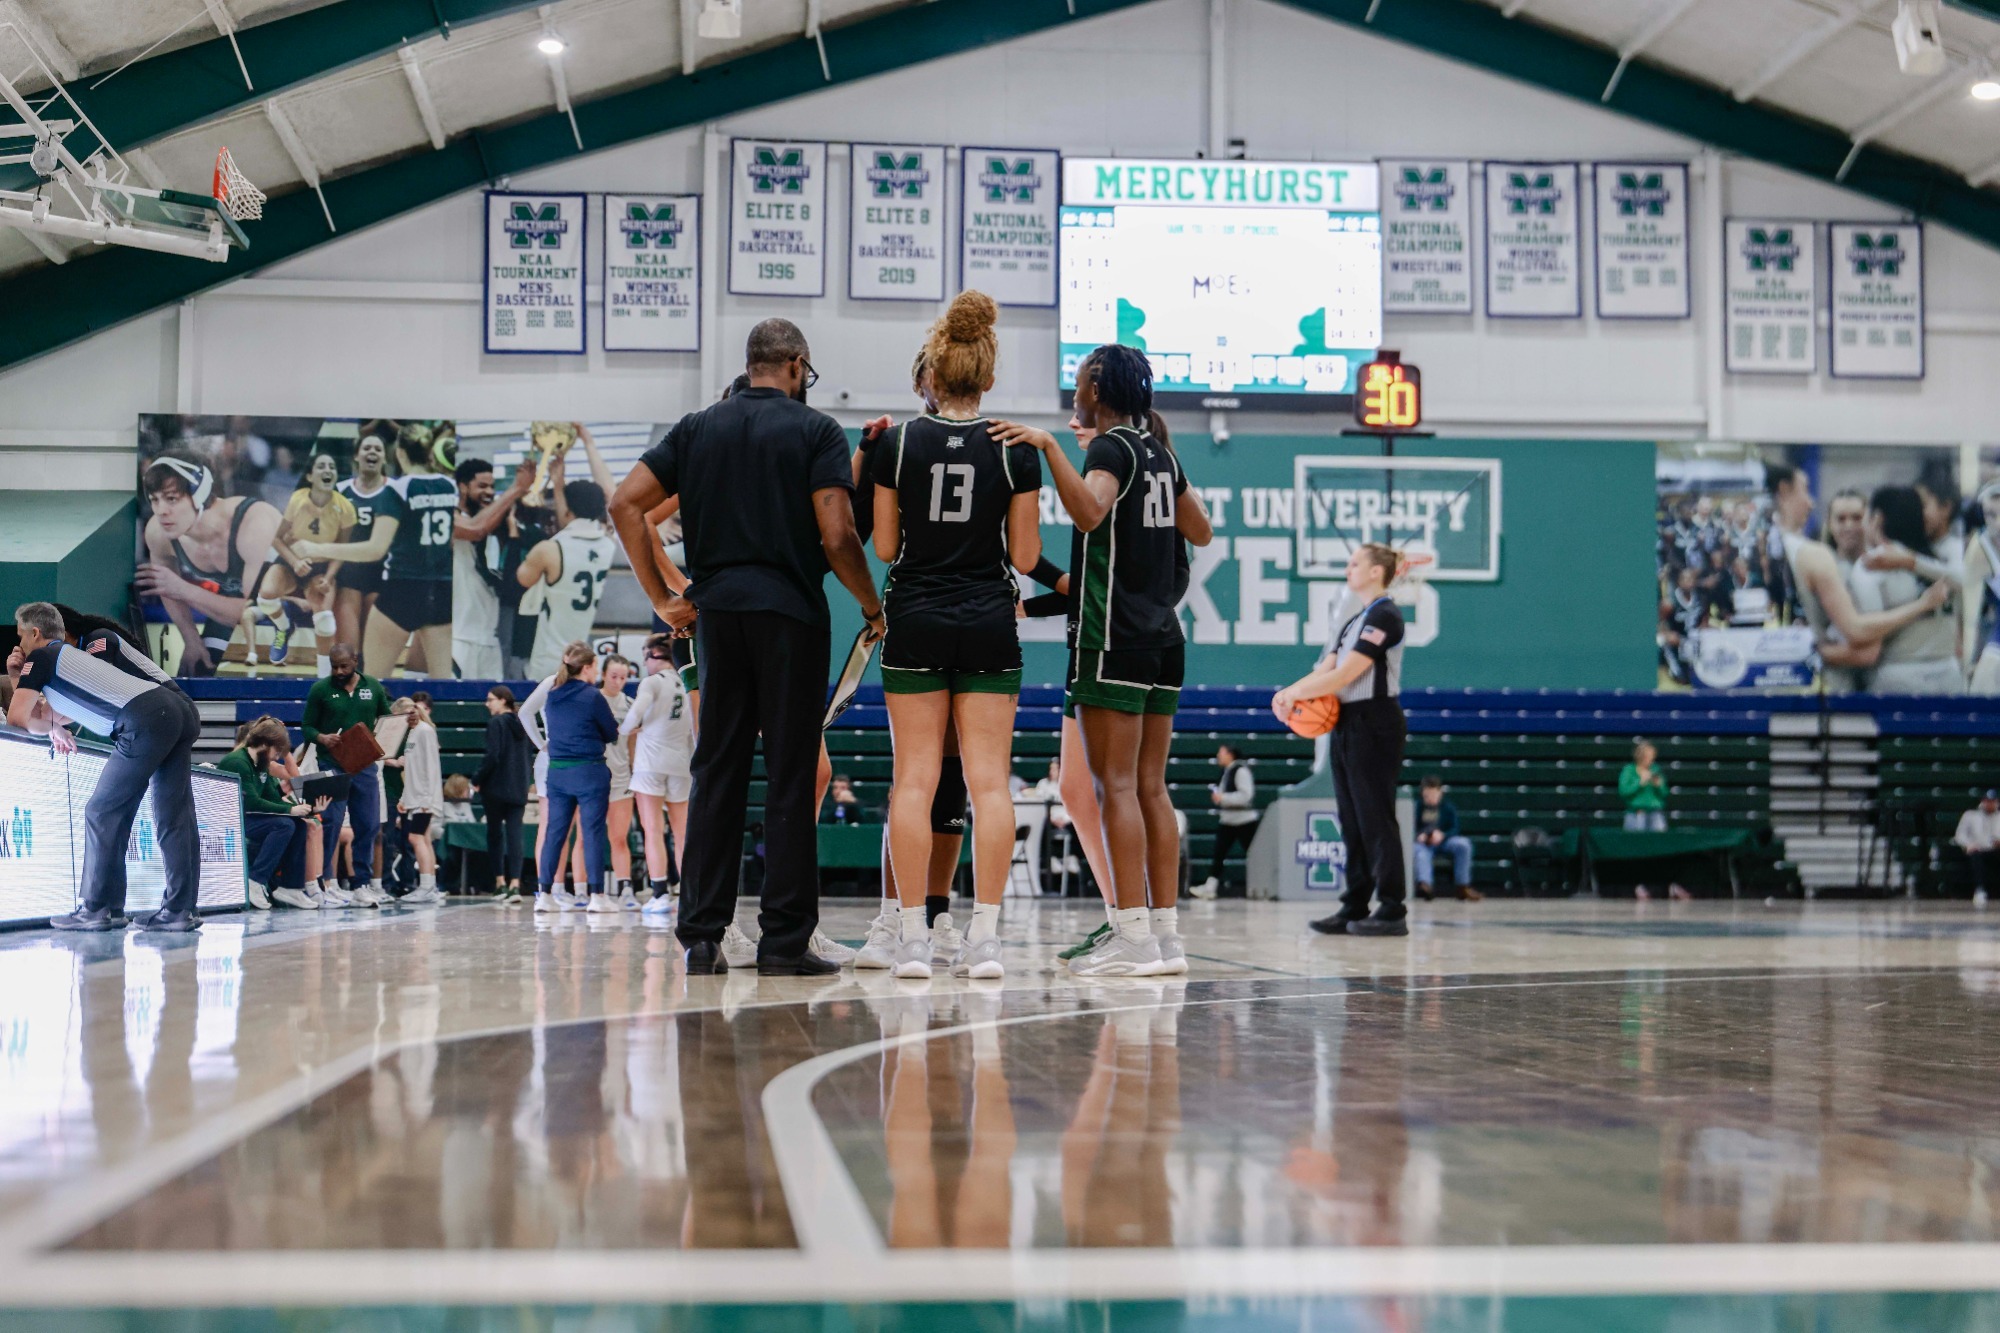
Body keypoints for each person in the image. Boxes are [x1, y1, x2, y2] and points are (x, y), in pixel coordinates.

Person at [608, 317, 883, 976]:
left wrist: (662, 599)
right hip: (791, 616)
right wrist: (871, 604)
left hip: (718, 618)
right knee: (790, 775)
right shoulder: (816, 430)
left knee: (717, 772)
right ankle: (784, 941)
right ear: (795, 365)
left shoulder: (696, 428)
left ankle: (703, 936)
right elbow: (839, 535)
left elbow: (625, 504)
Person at [995, 345, 1212, 977]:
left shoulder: (1110, 449)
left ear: (1097, 389)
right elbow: (1201, 531)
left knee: (1114, 786)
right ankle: (1165, 938)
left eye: (1080, 382)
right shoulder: (1161, 454)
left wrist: (1048, 447)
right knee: (1150, 787)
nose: (1074, 394)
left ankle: (1132, 936)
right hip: (1164, 640)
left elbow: (1090, 512)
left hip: (1112, 639)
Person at [871, 292, 1042, 981]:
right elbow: (1025, 557)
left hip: (915, 615)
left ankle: (913, 938)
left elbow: (886, 546)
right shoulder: (1014, 449)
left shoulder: (896, 444)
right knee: (989, 783)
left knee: (914, 780)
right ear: (988, 378)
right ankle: (986, 940)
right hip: (988, 620)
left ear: (933, 376)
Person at [6, 600, 205, 931]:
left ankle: (99, 908)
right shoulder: (68, 660)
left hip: (147, 716)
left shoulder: (50, 655)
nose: (19, 645)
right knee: (174, 816)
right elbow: (51, 717)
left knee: (102, 811)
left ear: (36, 633)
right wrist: (50, 722)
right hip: (177, 710)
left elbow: (20, 717)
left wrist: (22, 677)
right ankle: (179, 910)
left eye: (21, 636)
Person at [1276, 543, 1411, 939]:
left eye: (1355, 563)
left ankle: (1392, 908)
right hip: (1347, 721)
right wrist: (1287, 694)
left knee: (1375, 817)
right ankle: (1354, 904)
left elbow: (1347, 674)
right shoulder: (1356, 619)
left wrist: (1295, 694)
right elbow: (1327, 666)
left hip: (1376, 720)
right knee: (1351, 819)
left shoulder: (1385, 615)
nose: (1348, 569)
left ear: (1376, 572)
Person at [1765, 462, 1950, 694]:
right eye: (1841, 519)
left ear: (1872, 520)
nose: (1849, 526)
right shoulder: (1817, 562)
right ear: (1829, 523)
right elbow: (1857, 639)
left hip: (1881, 679)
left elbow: (1866, 648)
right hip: (1831, 683)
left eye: (1856, 517)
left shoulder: (1887, 568)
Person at [296, 427, 458, 680]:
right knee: (442, 680)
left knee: (373, 679)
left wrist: (318, 549)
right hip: (441, 590)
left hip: (402, 587)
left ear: (398, 453)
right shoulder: (449, 486)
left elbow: (375, 549)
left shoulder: (397, 489)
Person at [136, 452, 282, 675]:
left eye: (171, 499)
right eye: (154, 499)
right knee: (200, 668)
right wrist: (191, 640)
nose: (161, 511)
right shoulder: (158, 532)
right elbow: (167, 588)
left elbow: (253, 612)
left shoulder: (252, 525)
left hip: (296, 603)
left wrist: (184, 589)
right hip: (236, 596)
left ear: (200, 494)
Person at [242, 450, 352, 676]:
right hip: (290, 562)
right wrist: (295, 562)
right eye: (321, 466)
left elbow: (342, 549)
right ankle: (284, 626)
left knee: (325, 621)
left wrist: (329, 578)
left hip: (321, 568)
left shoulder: (345, 507)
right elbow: (276, 538)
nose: (327, 470)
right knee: (265, 597)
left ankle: (324, 678)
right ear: (310, 476)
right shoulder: (297, 500)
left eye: (331, 467)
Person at [301, 642, 392, 906]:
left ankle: (361, 884)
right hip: (332, 763)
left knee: (368, 823)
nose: (339, 671)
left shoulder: (373, 687)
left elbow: (386, 720)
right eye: (334, 667)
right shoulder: (321, 689)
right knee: (331, 821)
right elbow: (307, 726)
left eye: (344, 666)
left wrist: (404, 724)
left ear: (355, 661)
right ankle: (324, 882)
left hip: (364, 764)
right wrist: (321, 737)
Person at [1851, 485, 1963, 695]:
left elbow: (1869, 629)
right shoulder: (1941, 559)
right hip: (1949, 673)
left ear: (1877, 518)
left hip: (1897, 675)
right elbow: (1966, 581)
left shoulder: (1872, 564)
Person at [534, 640, 620, 915]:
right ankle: (597, 896)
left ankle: (544, 894)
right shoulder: (593, 696)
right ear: (587, 667)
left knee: (555, 833)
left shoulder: (552, 694)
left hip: (557, 772)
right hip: (589, 771)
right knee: (592, 832)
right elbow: (611, 733)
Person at [221, 716, 325, 911]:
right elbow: (251, 802)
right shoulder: (238, 762)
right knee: (283, 825)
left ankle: (290, 887)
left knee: (299, 825)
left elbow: (273, 798)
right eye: (277, 751)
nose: (277, 758)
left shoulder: (261, 764)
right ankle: (255, 880)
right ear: (264, 744)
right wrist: (290, 810)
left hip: (248, 817)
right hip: (231, 821)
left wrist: (310, 809)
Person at [520, 480, 620, 680]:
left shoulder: (548, 549)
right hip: (590, 659)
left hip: (552, 658)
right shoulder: (612, 547)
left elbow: (523, 578)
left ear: (567, 509)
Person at [624, 633, 695, 913]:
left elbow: (634, 714)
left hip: (650, 764)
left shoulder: (652, 682)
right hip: (681, 763)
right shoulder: (687, 682)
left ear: (654, 655)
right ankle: (688, 895)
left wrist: (623, 730)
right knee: (682, 833)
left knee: (653, 829)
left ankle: (660, 893)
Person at [451, 456, 532, 679]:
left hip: (489, 635)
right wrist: (516, 488)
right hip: (459, 636)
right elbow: (476, 529)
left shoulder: (493, 519)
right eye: (482, 486)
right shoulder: (450, 515)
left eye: (492, 487)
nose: (489, 492)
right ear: (463, 487)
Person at [331, 431, 394, 657]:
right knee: (348, 651)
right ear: (356, 456)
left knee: (373, 652)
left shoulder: (395, 491)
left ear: (385, 458)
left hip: (382, 575)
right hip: (348, 575)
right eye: (367, 448)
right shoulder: (340, 490)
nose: (372, 452)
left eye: (378, 449)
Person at [475, 684, 533, 903]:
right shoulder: (523, 723)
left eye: (490, 700)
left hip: (496, 787)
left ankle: (500, 883)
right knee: (515, 835)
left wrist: (477, 779)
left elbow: (493, 756)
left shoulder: (496, 723)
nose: (487, 704)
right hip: (518, 786)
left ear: (502, 700)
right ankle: (515, 884)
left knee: (495, 835)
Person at [595, 653, 641, 906]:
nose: (618, 681)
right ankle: (587, 891)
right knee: (587, 837)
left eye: (623, 677)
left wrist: (634, 773)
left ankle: (625, 889)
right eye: (614, 676)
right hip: (593, 777)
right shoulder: (593, 700)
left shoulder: (631, 705)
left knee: (619, 837)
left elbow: (633, 745)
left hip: (621, 778)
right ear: (603, 674)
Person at [393, 693, 446, 904]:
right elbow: (412, 771)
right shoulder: (413, 734)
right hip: (414, 797)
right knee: (423, 839)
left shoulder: (425, 731)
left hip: (425, 798)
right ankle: (429, 886)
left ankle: (425, 887)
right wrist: (404, 797)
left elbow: (431, 768)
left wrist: (426, 800)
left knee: (415, 838)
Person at [1192, 743, 1258, 900]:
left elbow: (1246, 796)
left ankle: (1261, 884)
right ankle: (1210, 888)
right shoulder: (1226, 771)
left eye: (1221, 752)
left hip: (1244, 821)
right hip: (1228, 819)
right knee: (1218, 854)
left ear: (1230, 754)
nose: (1218, 756)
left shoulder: (1240, 771)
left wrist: (1223, 798)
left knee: (1254, 854)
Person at [1410, 774, 1480, 903]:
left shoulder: (1448, 808)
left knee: (1464, 845)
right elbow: (1410, 828)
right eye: (1427, 796)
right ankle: (1425, 885)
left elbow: (1455, 828)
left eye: (1433, 795)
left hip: (1444, 841)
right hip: (1424, 844)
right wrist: (1420, 835)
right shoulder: (1417, 808)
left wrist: (1443, 835)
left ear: (1440, 793)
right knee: (1420, 853)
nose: (1430, 799)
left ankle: (1462, 885)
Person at [1963, 482, 2000, 694]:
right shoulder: (1980, 549)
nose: (1998, 522)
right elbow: (1970, 612)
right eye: (1991, 515)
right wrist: (1968, 660)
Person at [1953, 790, 2000, 905]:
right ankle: (1980, 890)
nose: (1990, 804)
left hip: (1995, 850)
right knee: (1975, 857)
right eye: (1987, 801)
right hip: (1977, 850)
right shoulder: (1970, 815)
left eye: (1993, 801)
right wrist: (1968, 845)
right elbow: (1960, 835)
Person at [1619, 739, 1669, 832]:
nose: (1651, 759)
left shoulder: (1655, 769)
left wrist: (1658, 786)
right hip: (1635, 814)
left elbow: (1664, 793)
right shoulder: (1629, 770)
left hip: (1655, 814)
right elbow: (1624, 791)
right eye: (1648, 756)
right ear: (1640, 756)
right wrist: (1639, 783)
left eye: (1652, 756)